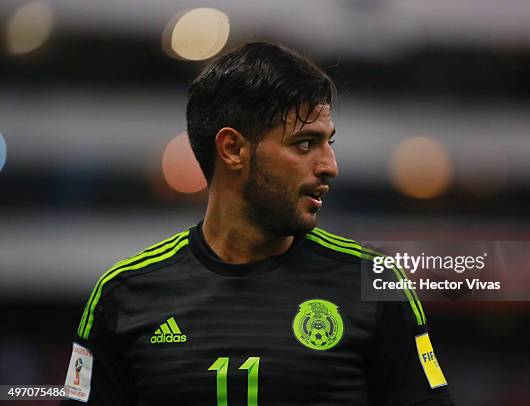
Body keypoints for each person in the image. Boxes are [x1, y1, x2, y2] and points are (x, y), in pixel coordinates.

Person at [62, 41, 453, 406]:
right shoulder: (123, 295)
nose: (330, 167)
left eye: (328, 143)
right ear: (233, 148)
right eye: (304, 144)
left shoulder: (375, 284)